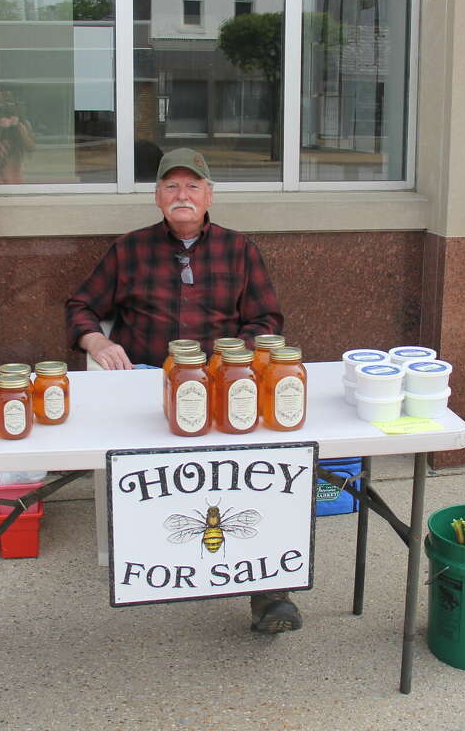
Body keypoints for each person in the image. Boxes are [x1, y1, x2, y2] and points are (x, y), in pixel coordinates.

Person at [65, 148, 301, 633]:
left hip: (221, 386)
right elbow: (81, 304)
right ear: (157, 197)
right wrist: (96, 340)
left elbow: (266, 319)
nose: (182, 195)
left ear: (209, 195)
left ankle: (268, 593)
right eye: (171, 187)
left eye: (192, 186)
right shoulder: (129, 249)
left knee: (257, 472)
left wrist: (232, 364)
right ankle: (155, 567)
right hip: (147, 381)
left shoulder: (239, 250)